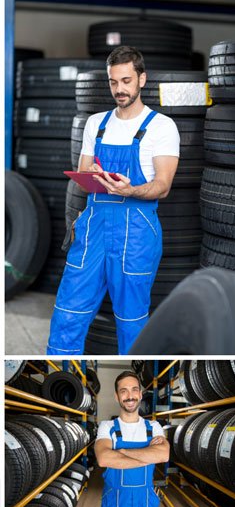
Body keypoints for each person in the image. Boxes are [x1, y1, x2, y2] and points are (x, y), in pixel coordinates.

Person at [46, 46, 179, 355]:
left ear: (142, 79)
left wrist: (130, 190)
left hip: (136, 231)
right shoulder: (96, 123)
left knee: (131, 321)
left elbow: (163, 185)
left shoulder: (161, 127)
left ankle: (136, 376)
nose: (119, 89)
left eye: (126, 81)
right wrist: (90, 172)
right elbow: (82, 169)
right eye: (113, 82)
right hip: (93, 226)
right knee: (68, 312)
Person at [95, 370, 169, 507]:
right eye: (124, 391)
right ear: (116, 396)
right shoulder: (107, 427)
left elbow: (163, 455)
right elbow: (104, 458)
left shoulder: (154, 427)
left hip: (146, 504)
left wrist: (121, 452)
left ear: (141, 394)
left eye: (134, 389)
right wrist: (148, 455)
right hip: (116, 505)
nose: (130, 396)